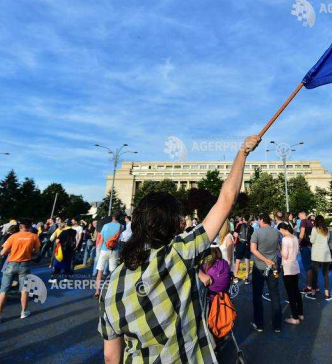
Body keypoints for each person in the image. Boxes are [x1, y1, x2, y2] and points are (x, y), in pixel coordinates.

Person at [99, 135, 260, 363]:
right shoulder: (179, 253)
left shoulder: (112, 283)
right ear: (172, 225)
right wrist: (242, 152)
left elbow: (110, 356)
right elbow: (226, 199)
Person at [0, 219, 40, 325]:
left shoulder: (13, 236)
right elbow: (36, 252)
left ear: (20, 227)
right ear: (30, 227)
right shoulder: (34, 236)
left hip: (11, 264)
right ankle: (24, 312)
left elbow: (2, 252)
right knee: (24, 290)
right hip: (25, 264)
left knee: (3, 291)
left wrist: (12, 251)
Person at [250, 213, 282, 332]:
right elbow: (278, 248)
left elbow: (253, 250)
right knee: (275, 294)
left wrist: (265, 260)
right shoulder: (276, 232)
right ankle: (277, 325)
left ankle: (259, 324)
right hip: (273, 266)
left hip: (260, 267)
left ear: (262, 220)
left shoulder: (257, 232)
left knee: (257, 295)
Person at [277, 222, 303, 325]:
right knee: (296, 291)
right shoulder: (295, 238)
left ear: (282, 230)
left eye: (280, 232)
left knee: (290, 293)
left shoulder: (285, 239)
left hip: (287, 268)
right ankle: (300, 313)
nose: (281, 233)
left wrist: (279, 248)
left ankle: (295, 317)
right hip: (295, 266)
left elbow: (285, 255)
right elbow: (296, 252)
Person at [94, 213, 123, 298]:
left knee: (100, 271)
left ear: (112, 218)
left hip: (104, 250)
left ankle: (97, 292)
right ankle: (111, 291)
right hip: (114, 250)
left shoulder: (105, 226)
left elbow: (101, 239)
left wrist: (98, 251)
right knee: (112, 272)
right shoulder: (121, 226)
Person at [305, 215, 332, 301]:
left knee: (315, 274)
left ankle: (313, 293)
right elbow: (327, 240)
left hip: (316, 254)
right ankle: (327, 293)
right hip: (325, 253)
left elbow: (312, 241)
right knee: (326, 274)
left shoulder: (314, 229)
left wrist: (310, 237)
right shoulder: (327, 230)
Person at [298, 210, 315, 294]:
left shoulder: (303, 222)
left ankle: (309, 286)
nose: (298, 216)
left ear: (302, 215)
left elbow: (302, 234)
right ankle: (314, 285)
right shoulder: (310, 222)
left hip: (305, 246)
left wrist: (297, 244)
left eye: (299, 215)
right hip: (311, 246)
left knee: (307, 266)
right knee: (311, 266)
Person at [233, 217, 254, 284]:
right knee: (247, 261)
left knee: (238, 260)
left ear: (243, 219)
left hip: (240, 244)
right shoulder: (251, 227)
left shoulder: (239, 225)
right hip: (247, 245)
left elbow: (235, 234)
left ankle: (235, 277)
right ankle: (246, 278)